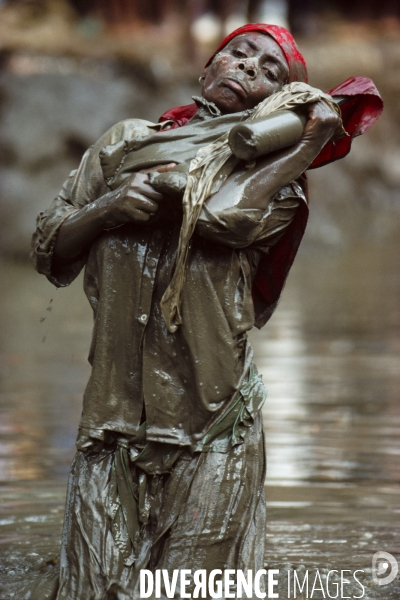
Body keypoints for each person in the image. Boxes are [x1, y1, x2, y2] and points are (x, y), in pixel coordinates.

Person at [30, 23, 343, 600]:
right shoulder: (126, 143)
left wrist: (302, 147)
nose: (249, 68)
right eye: (239, 55)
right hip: (111, 429)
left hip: (213, 434)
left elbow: (225, 217)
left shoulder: (278, 184)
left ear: (278, 105)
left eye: (269, 72)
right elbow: (49, 246)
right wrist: (108, 209)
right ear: (207, 70)